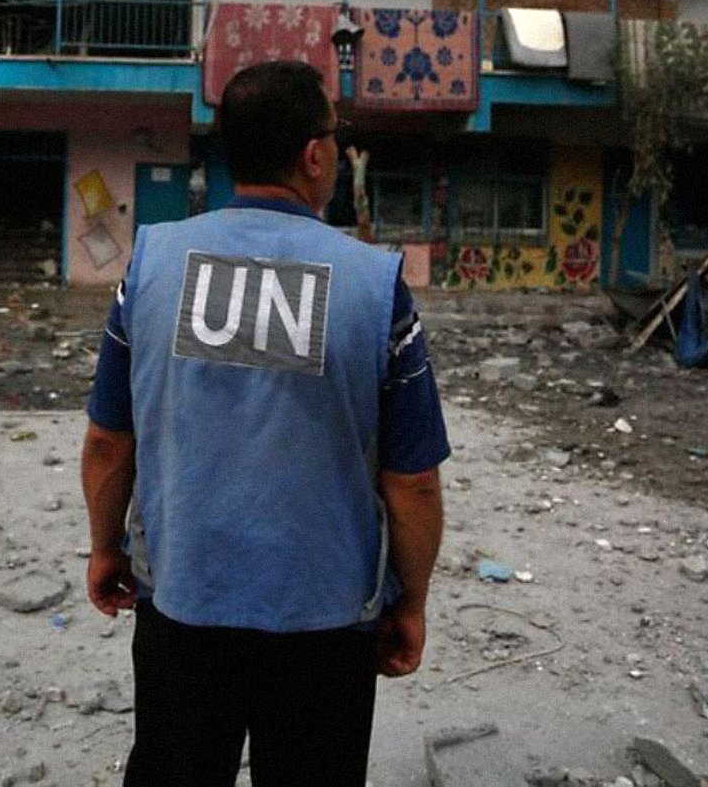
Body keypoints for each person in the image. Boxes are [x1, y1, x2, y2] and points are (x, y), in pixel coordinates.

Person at [80, 61, 449, 787]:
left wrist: (103, 546)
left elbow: (106, 439)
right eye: (335, 139)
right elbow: (414, 482)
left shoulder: (148, 262)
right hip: (326, 618)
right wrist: (411, 599)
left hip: (183, 600)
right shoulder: (376, 285)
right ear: (315, 155)